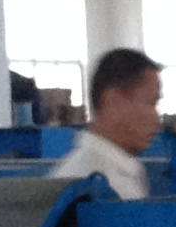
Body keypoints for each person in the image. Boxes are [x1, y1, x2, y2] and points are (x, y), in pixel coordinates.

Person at [52, 46, 163, 201]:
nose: (157, 119)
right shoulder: (90, 184)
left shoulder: (119, 172)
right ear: (112, 101)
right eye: (151, 102)